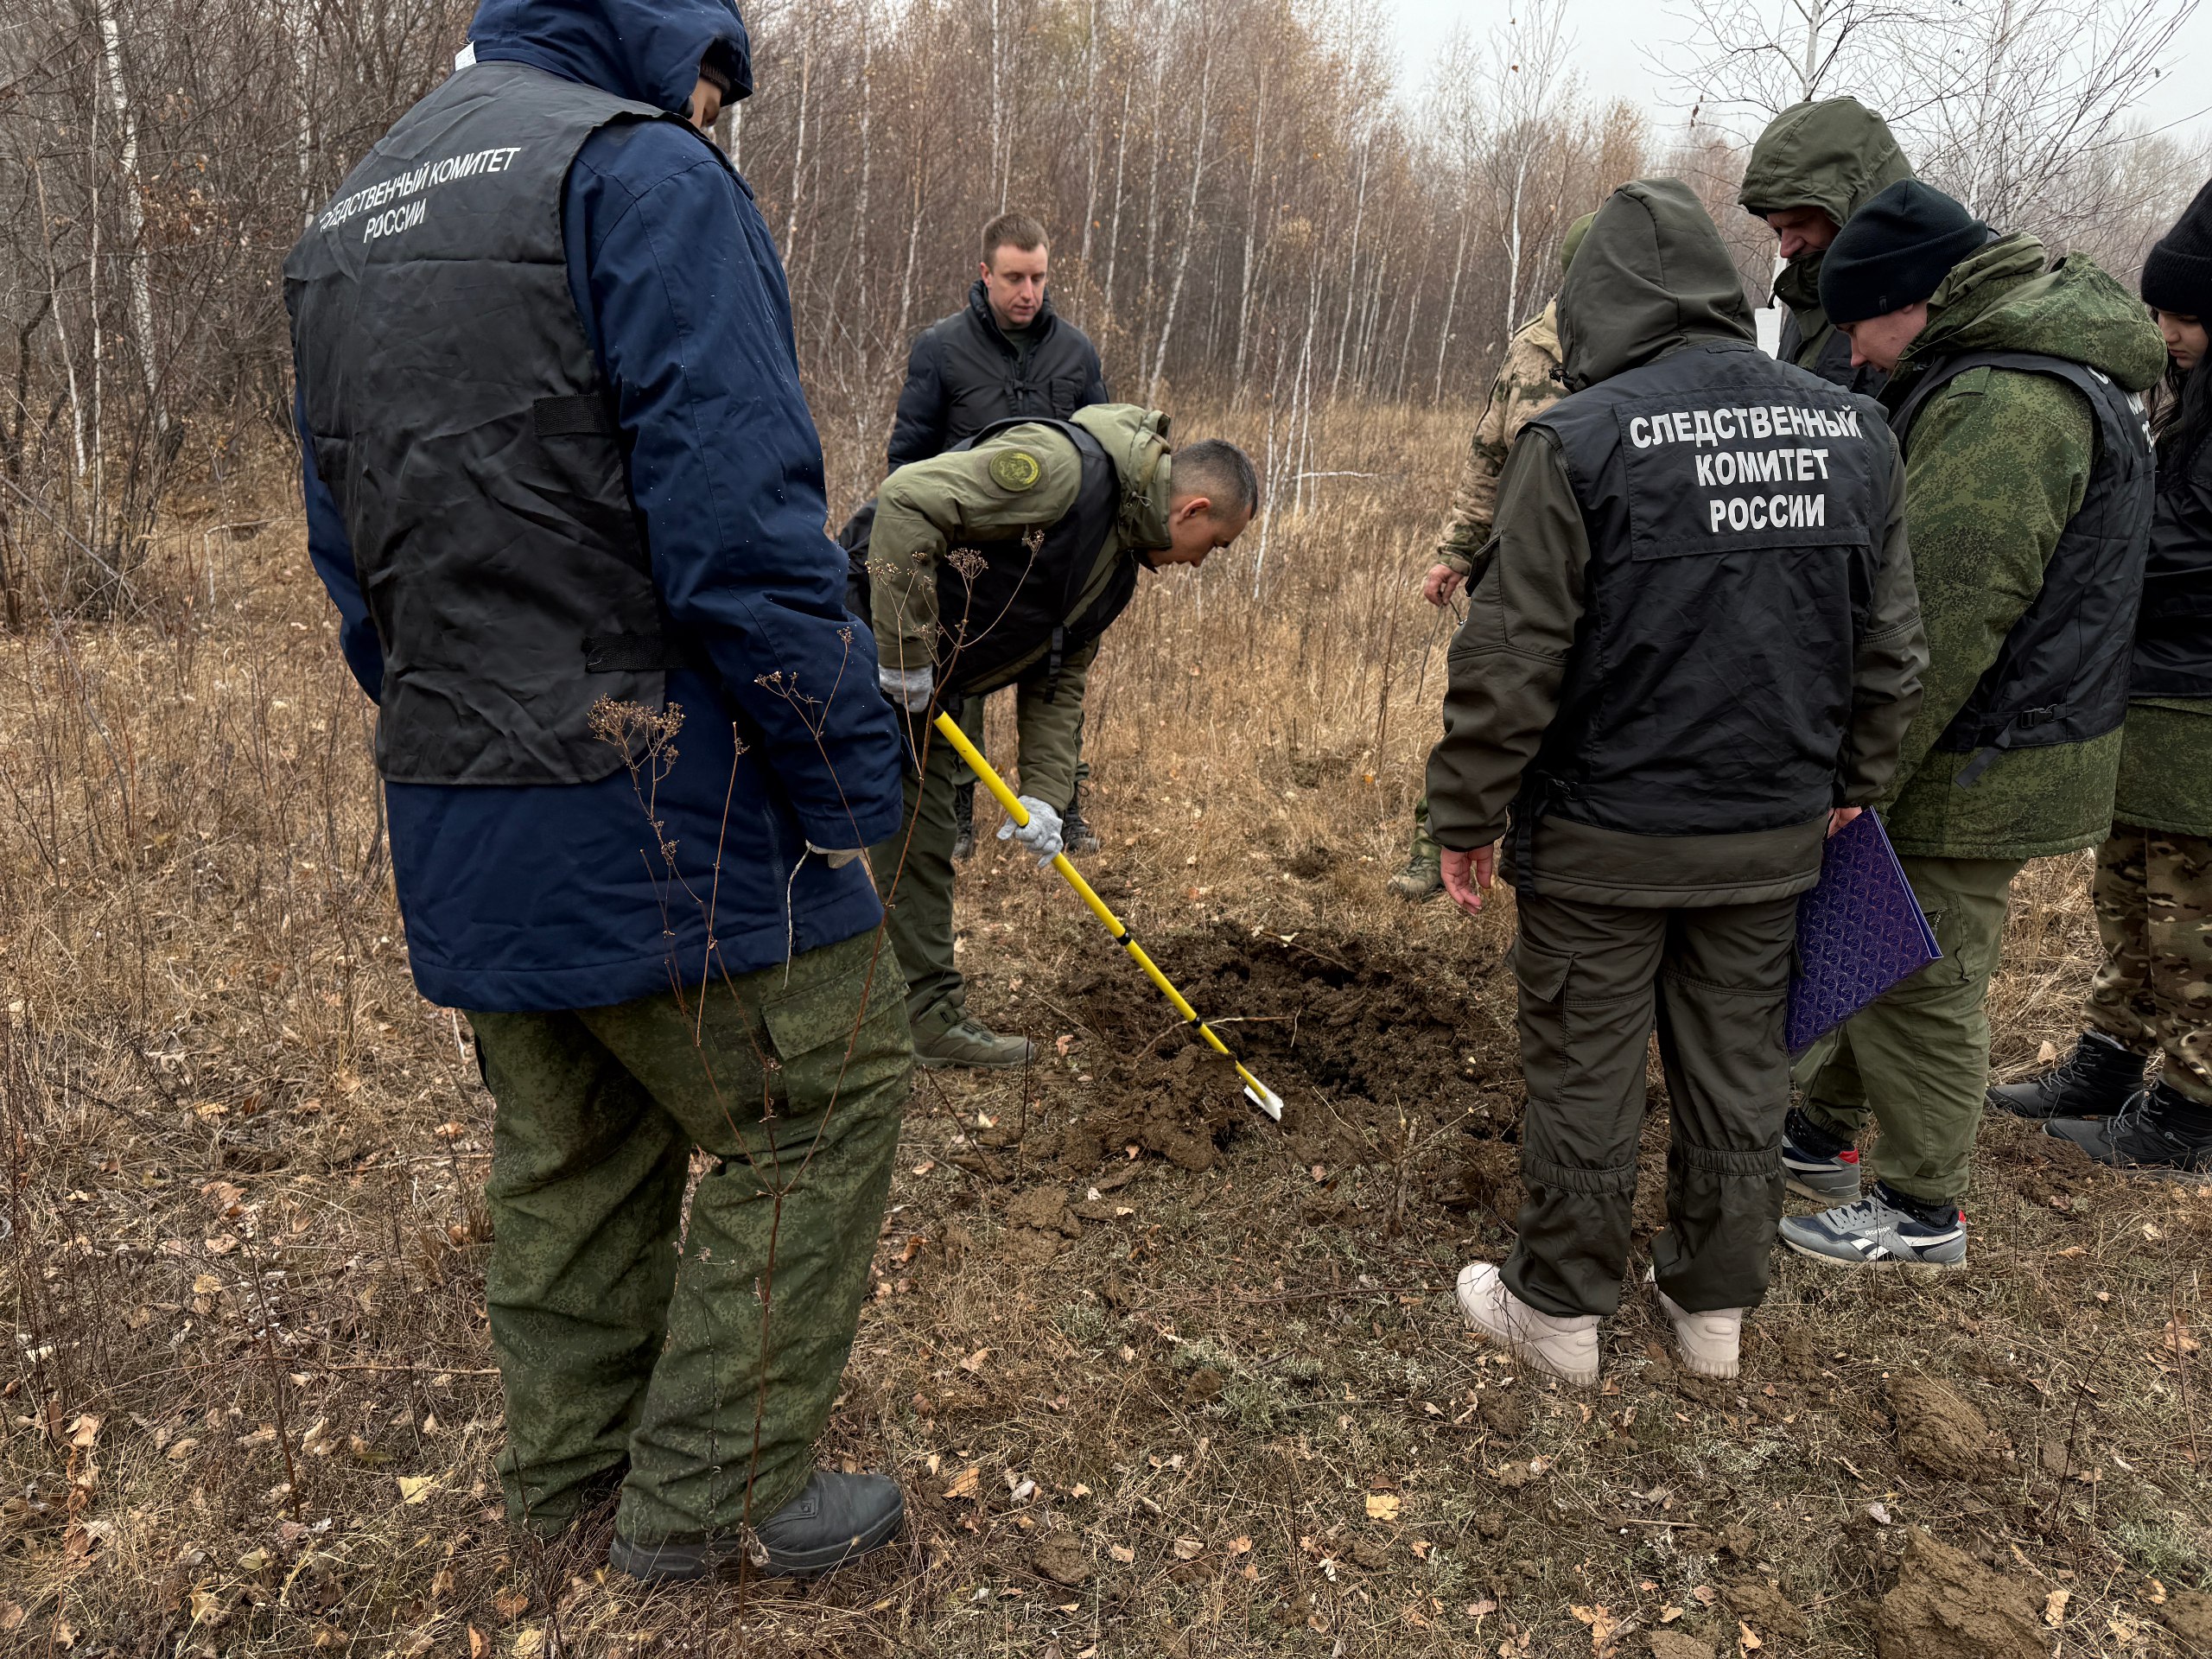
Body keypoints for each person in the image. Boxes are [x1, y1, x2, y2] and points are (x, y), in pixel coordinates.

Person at [286, 0, 912, 1584]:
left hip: (455, 790)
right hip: (659, 795)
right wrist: (847, 773)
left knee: (575, 1136)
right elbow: (746, 537)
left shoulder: (347, 219)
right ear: (654, 32)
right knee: (824, 1098)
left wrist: (463, 743)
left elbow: (358, 575)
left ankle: (568, 1487)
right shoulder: (642, 181)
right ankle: (712, 1499)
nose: (714, 115)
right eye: (712, 81)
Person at [1426, 179, 1925, 1387]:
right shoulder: (1855, 433)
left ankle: (1559, 1311)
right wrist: (1855, 775)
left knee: (1587, 1067)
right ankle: (1711, 1313)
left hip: (1604, 837)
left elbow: (1514, 654)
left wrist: (1465, 811)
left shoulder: (1577, 439)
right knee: (1740, 1066)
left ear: (1596, 304)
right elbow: (1892, 643)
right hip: (1769, 835)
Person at [1777, 181, 2165, 1267]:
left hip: (1984, 744)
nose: (1853, 353)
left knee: (1924, 980)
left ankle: (1918, 1210)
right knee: (1876, 943)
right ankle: (1816, 1135)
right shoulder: (1993, 370)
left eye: (1859, 324)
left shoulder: (2006, 406)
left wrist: (1861, 771)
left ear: (1912, 300)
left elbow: (1942, 617)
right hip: (1978, 733)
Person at [868, 408, 1256, 1069]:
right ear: (1191, 511)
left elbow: (1058, 676)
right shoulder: (1059, 472)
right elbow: (906, 501)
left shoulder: (1117, 566)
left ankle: (926, 1019)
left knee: (920, 845)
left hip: (928, 692)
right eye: (1214, 546)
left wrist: (1046, 796)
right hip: (857, 645)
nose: (1198, 564)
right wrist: (901, 654)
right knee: (799, 833)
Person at [2004, 178, 2212, 1173]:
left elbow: (2186, 547)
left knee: (2190, 910)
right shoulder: (2189, 403)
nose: (2162, 331)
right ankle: (2112, 1054)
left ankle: (2193, 1103)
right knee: (2125, 886)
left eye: (2180, 314)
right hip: (2151, 685)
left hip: (2201, 697)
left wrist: (2103, 534)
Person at [883, 214, 1111, 863]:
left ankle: (1065, 805)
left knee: (1060, 674)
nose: (1027, 291)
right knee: (958, 680)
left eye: (1038, 277)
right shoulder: (941, 348)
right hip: (968, 553)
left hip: (1051, 557)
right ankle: (956, 816)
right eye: (1013, 277)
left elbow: (1101, 455)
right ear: (985, 275)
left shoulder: (1077, 352)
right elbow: (908, 461)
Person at [1389, 212, 1592, 903]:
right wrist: (1456, 549)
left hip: (1605, 574)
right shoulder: (1531, 350)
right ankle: (1436, 837)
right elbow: (1487, 455)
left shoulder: (1646, 352)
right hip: (1517, 564)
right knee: (1483, 702)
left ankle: (1550, 878)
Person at [1738, 97, 1914, 394]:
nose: (1786, 248)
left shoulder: (1928, 295)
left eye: (1801, 222)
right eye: (1778, 230)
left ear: (1859, 207)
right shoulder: (1809, 287)